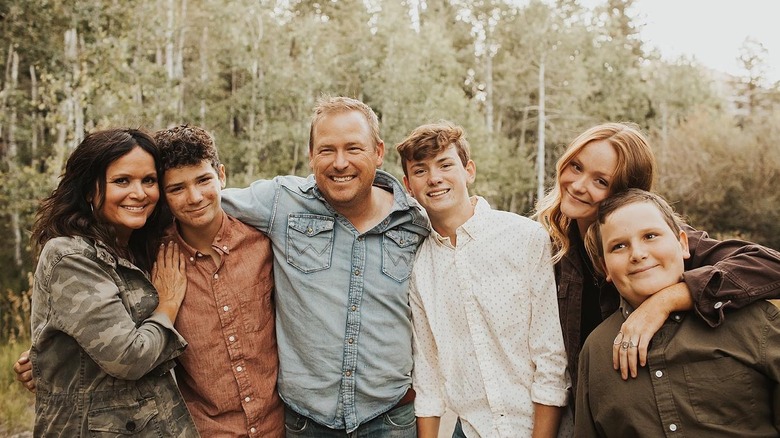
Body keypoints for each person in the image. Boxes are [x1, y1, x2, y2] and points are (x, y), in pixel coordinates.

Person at [220, 96, 429, 436]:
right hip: (306, 421)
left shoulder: (414, 220)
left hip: (390, 418)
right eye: (327, 150)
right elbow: (198, 204)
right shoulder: (281, 202)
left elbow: (459, 225)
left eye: (353, 149)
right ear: (311, 155)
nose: (340, 162)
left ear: (378, 152)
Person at [534, 122, 780, 401]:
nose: (578, 186)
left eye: (600, 181)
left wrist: (668, 300)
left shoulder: (665, 244)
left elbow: (771, 264)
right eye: (576, 166)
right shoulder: (551, 248)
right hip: (587, 413)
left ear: (625, 194)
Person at [396, 121, 569, 438]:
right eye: (420, 171)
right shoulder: (419, 268)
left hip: (540, 427)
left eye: (445, 165)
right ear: (408, 185)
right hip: (470, 430)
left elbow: (551, 357)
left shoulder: (526, 238)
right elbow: (428, 373)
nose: (434, 178)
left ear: (468, 171)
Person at [25, 128, 198, 436]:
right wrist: (169, 302)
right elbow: (128, 358)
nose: (140, 193)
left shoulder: (137, 245)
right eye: (122, 181)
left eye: (148, 180)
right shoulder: (70, 256)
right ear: (90, 190)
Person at [576, 189, 780, 437]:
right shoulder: (595, 351)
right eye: (619, 246)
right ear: (603, 266)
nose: (638, 254)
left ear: (683, 244)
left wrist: (667, 300)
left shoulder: (753, 321)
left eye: (650, 236)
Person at [154, 125, 283, 436]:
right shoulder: (155, 262)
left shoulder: (264, 242)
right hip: (206, 430)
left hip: (279, 427)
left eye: (203, 180)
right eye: (177, 188)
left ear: (221, 175)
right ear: (162, 195)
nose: (195, 197)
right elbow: (122, 333)